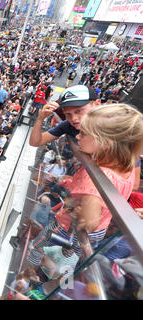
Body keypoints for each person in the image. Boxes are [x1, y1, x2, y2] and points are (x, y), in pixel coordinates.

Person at [29, 104, 143, 266]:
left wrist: (75, 197)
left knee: (40, 251)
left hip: (67, 229)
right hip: (98, 231)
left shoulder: (94, 179)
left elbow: (88, 221)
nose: (77, 137)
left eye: (83, 134)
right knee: (65, 260)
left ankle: (33, 267)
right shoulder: (128, 167)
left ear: (105, 143)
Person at [29, 85, 101, 147]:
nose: (73, 118)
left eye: (78, 111)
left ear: (97, 104)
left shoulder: (109, 127)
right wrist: (40, 118)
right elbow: (35, 142)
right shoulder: (68, 125)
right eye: (68, 114)